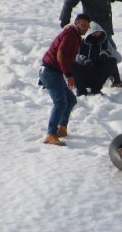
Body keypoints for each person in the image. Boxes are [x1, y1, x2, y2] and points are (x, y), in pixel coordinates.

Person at [39, 14, 91, 146]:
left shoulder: (75, 36)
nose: (86, 29)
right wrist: (68, 75)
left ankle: (62, 128)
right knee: (60, 103)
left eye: (88, 26)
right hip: (50, 72)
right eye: (84, 25)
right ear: (77, 23)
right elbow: (60, 55)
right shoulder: (69, 34)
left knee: (71, 100)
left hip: (55, 73)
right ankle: (51, 134)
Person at [72, 21, 120, 95]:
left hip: (97, 74)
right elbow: (71, 56)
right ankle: (81, 91)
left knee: (112, 61)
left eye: (98, 32)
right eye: (94, 33)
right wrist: (83, 59)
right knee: (72, 64)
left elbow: (118, 58)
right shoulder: (80, 41)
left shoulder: (104, 41)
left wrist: (107, 54)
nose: (97, 35)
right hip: (83, 72)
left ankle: (96, 89)